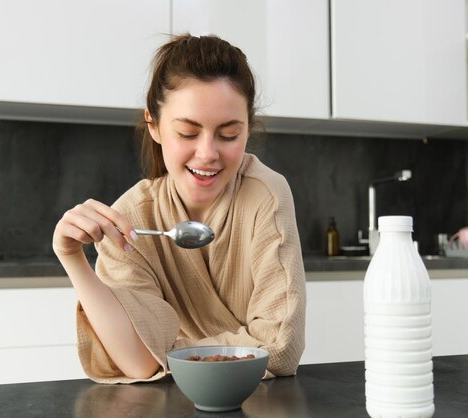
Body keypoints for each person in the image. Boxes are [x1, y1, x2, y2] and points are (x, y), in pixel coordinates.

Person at [52, 33, 306, 383]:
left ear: (248, 129)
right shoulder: (131, 219)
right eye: (188, 133)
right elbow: (139, 364)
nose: (208, 153)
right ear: (153, 126)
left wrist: (169, 352)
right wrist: (72, 258)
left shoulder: (265, 195)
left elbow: (280, 347)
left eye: (229, 135)